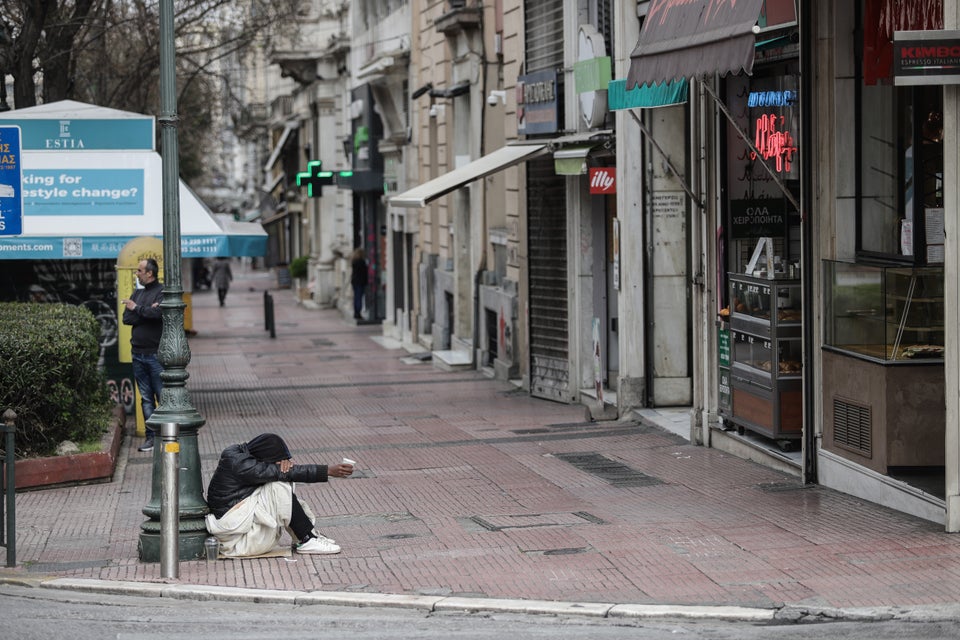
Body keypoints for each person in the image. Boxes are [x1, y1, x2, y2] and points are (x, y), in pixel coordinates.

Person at [205, 433, 353, 557]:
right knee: (278, 485)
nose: (282, 464)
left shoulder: (241, 453)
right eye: (277, 462)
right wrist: (327, 471)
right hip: (237, 539)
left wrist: (281, 464)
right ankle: (307, 539)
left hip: (240, 522)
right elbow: (284, 472)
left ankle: (304, 537)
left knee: (281, 481)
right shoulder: (242, 465)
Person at [121, 258, 164, 452]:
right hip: (137, 353)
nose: (136, 273)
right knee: (146, 399)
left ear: (149, 273)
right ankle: (151, 438)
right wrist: (145, 311)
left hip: (155, 354)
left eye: (139, 270)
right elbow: (126, 318)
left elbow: (159, 315)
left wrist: (137, 309)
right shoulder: (137, 293)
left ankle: (167, 437)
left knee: (163, 397)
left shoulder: (162, 292)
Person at [350, 248, 368, 320]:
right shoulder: (361, 262)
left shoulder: (354, 261)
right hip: (360, 282)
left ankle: (356, 312)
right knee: (359, 297)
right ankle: (358, 313)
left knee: (356, 297)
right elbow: (364, 273)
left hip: (355, 282)